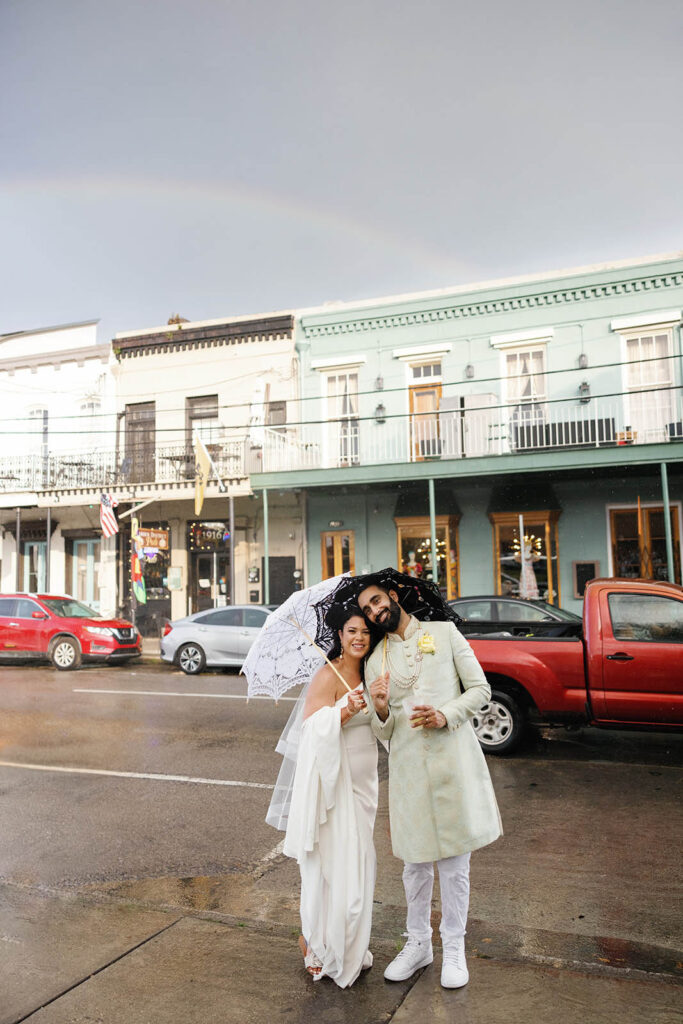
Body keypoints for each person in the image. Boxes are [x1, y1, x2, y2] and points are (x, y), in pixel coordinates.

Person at [356, 578, 502, 989]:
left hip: (453, 765)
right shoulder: (375, 660)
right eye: (366, 610)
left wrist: (445, 714)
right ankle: (419, 943)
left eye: (377, 602)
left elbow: (481, 690)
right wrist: (380, 709)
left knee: (455, 865)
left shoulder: (443, 632)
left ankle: (454, 946)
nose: (373, 612)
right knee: (415, 866)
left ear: (394, 597)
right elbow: (382, 733)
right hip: (408, 773)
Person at [271, 604, 379, 987]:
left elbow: (383, 726)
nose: (359, 638)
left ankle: (349, 943)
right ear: (340, 635)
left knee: (359, 866)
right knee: (332, 869)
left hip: (366, 787)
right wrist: (346, 709)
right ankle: (314, 943)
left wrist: (378, 704)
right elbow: (311, 729)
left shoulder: (369, 671)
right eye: (352, 631)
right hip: (334, 784)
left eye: (365, 631)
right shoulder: (327, 674)